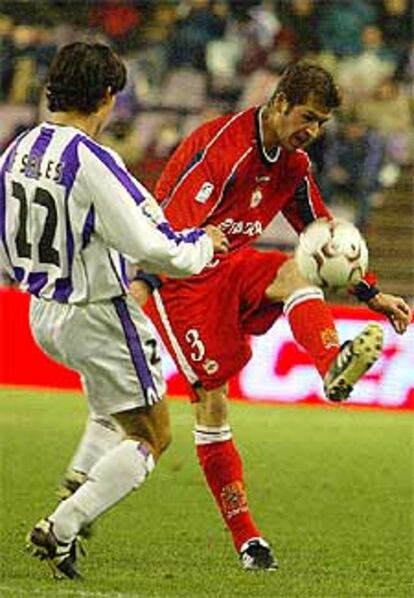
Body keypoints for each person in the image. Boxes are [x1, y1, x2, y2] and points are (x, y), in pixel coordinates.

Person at [59, 62, 412, 572]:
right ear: (280, 103)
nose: (311, 132)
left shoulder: (293, 164)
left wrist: (371, 293)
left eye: (321, 124)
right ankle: (247, 539)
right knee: (213, 404)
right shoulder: (224, 147)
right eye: (307, 118)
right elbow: (166, 225)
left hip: (232, 268)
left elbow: (320, 231)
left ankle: (332, 363)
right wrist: (146, 285)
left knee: (296, 269)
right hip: (182, 283)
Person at [0, 41, 228, 579]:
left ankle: (82, 476)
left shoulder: (16, 149)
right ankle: (62, 525)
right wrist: (201, 249)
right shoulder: (91, 160)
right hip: (96, 313)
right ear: (107, 97)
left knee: (111, 405)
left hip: (40, 311)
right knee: (151, 435)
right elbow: (148, 245)